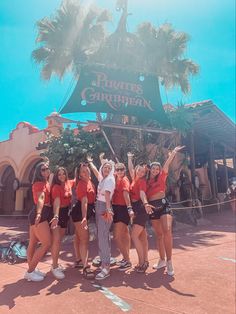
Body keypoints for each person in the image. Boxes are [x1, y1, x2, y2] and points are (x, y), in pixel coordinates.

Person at [147, 146, 185, 276]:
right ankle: (162, 260)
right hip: (152, 208)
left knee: (167, 231)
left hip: (163, 206)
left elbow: (167, 164)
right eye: (154, 168)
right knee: (158, 235)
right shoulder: (146, 181)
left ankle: (169, 261)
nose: (156, 170)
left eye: (157, 169)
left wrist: (173, 152)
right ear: (150, 169)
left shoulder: (162, 176)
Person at [88, 156, 115, 280]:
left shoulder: (109, 180)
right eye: (105, 167)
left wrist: (108, 210)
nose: (107, 169)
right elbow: (95, 171)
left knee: (103, 237)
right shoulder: (103, 179)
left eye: (109, 168)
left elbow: (108, 195)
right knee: (103, 235)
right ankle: (105, 259)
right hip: (99, 206)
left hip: (104, 207)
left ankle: (106, 266)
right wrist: (91, 162)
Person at [25, 161, 53, 281]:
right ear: (38, 172)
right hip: (39, 214)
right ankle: (30, 271)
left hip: (38, 213)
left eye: (47, 168)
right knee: (46, 243)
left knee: (33, 242)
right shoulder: (39, 183)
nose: (46, 170)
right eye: (43, 169)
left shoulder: (45, 182)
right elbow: (41, 198)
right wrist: (39, 214)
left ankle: (32, 268)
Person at [127, 153, 153, 273]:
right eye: (140, 171)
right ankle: (145, 261)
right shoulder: (135, 178)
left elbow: (142, 194)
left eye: (143, 172)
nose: (141, 173)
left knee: (134, 236)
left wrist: (146, 203)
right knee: (142, 236)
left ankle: (142, 262)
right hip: (137, 208)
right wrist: (130, 158)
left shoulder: (141, 181)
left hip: (141, 208)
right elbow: (131, 169)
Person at [71, 162, 96, 279]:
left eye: (87, 170)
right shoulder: (81, 184)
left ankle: (78, 260)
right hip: (81, 212)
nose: (85, 172)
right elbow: (84, 202)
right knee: (85, 239)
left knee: (78, 237)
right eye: (83, 171)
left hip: (85, 210)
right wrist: (85, 217)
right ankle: (85, 267)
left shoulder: (89, 181)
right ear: (79, 175)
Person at [50, 167, 73, 279]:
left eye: (63, 173)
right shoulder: (56, 187)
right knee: (56, 240)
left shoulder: (68, 183)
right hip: (57, 213)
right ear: (56, 176)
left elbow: (76, 179)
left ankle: (56, 263)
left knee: (59, 240)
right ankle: (54, 266)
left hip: (65, 213)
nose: (62, 176)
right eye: (59, 174)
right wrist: (56, 216)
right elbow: (57, 202)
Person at [112, 162, 134, 271]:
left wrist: (129, 208)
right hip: (117, 208)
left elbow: (126, 194)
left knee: (117, 236)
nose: (119, 172)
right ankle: (126, 258)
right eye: (117, 170)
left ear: (124, 170)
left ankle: (127, 260)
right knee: (125, 234)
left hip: (122, 209)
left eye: (121, 170)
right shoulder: (116, 179)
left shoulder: (124, 180)